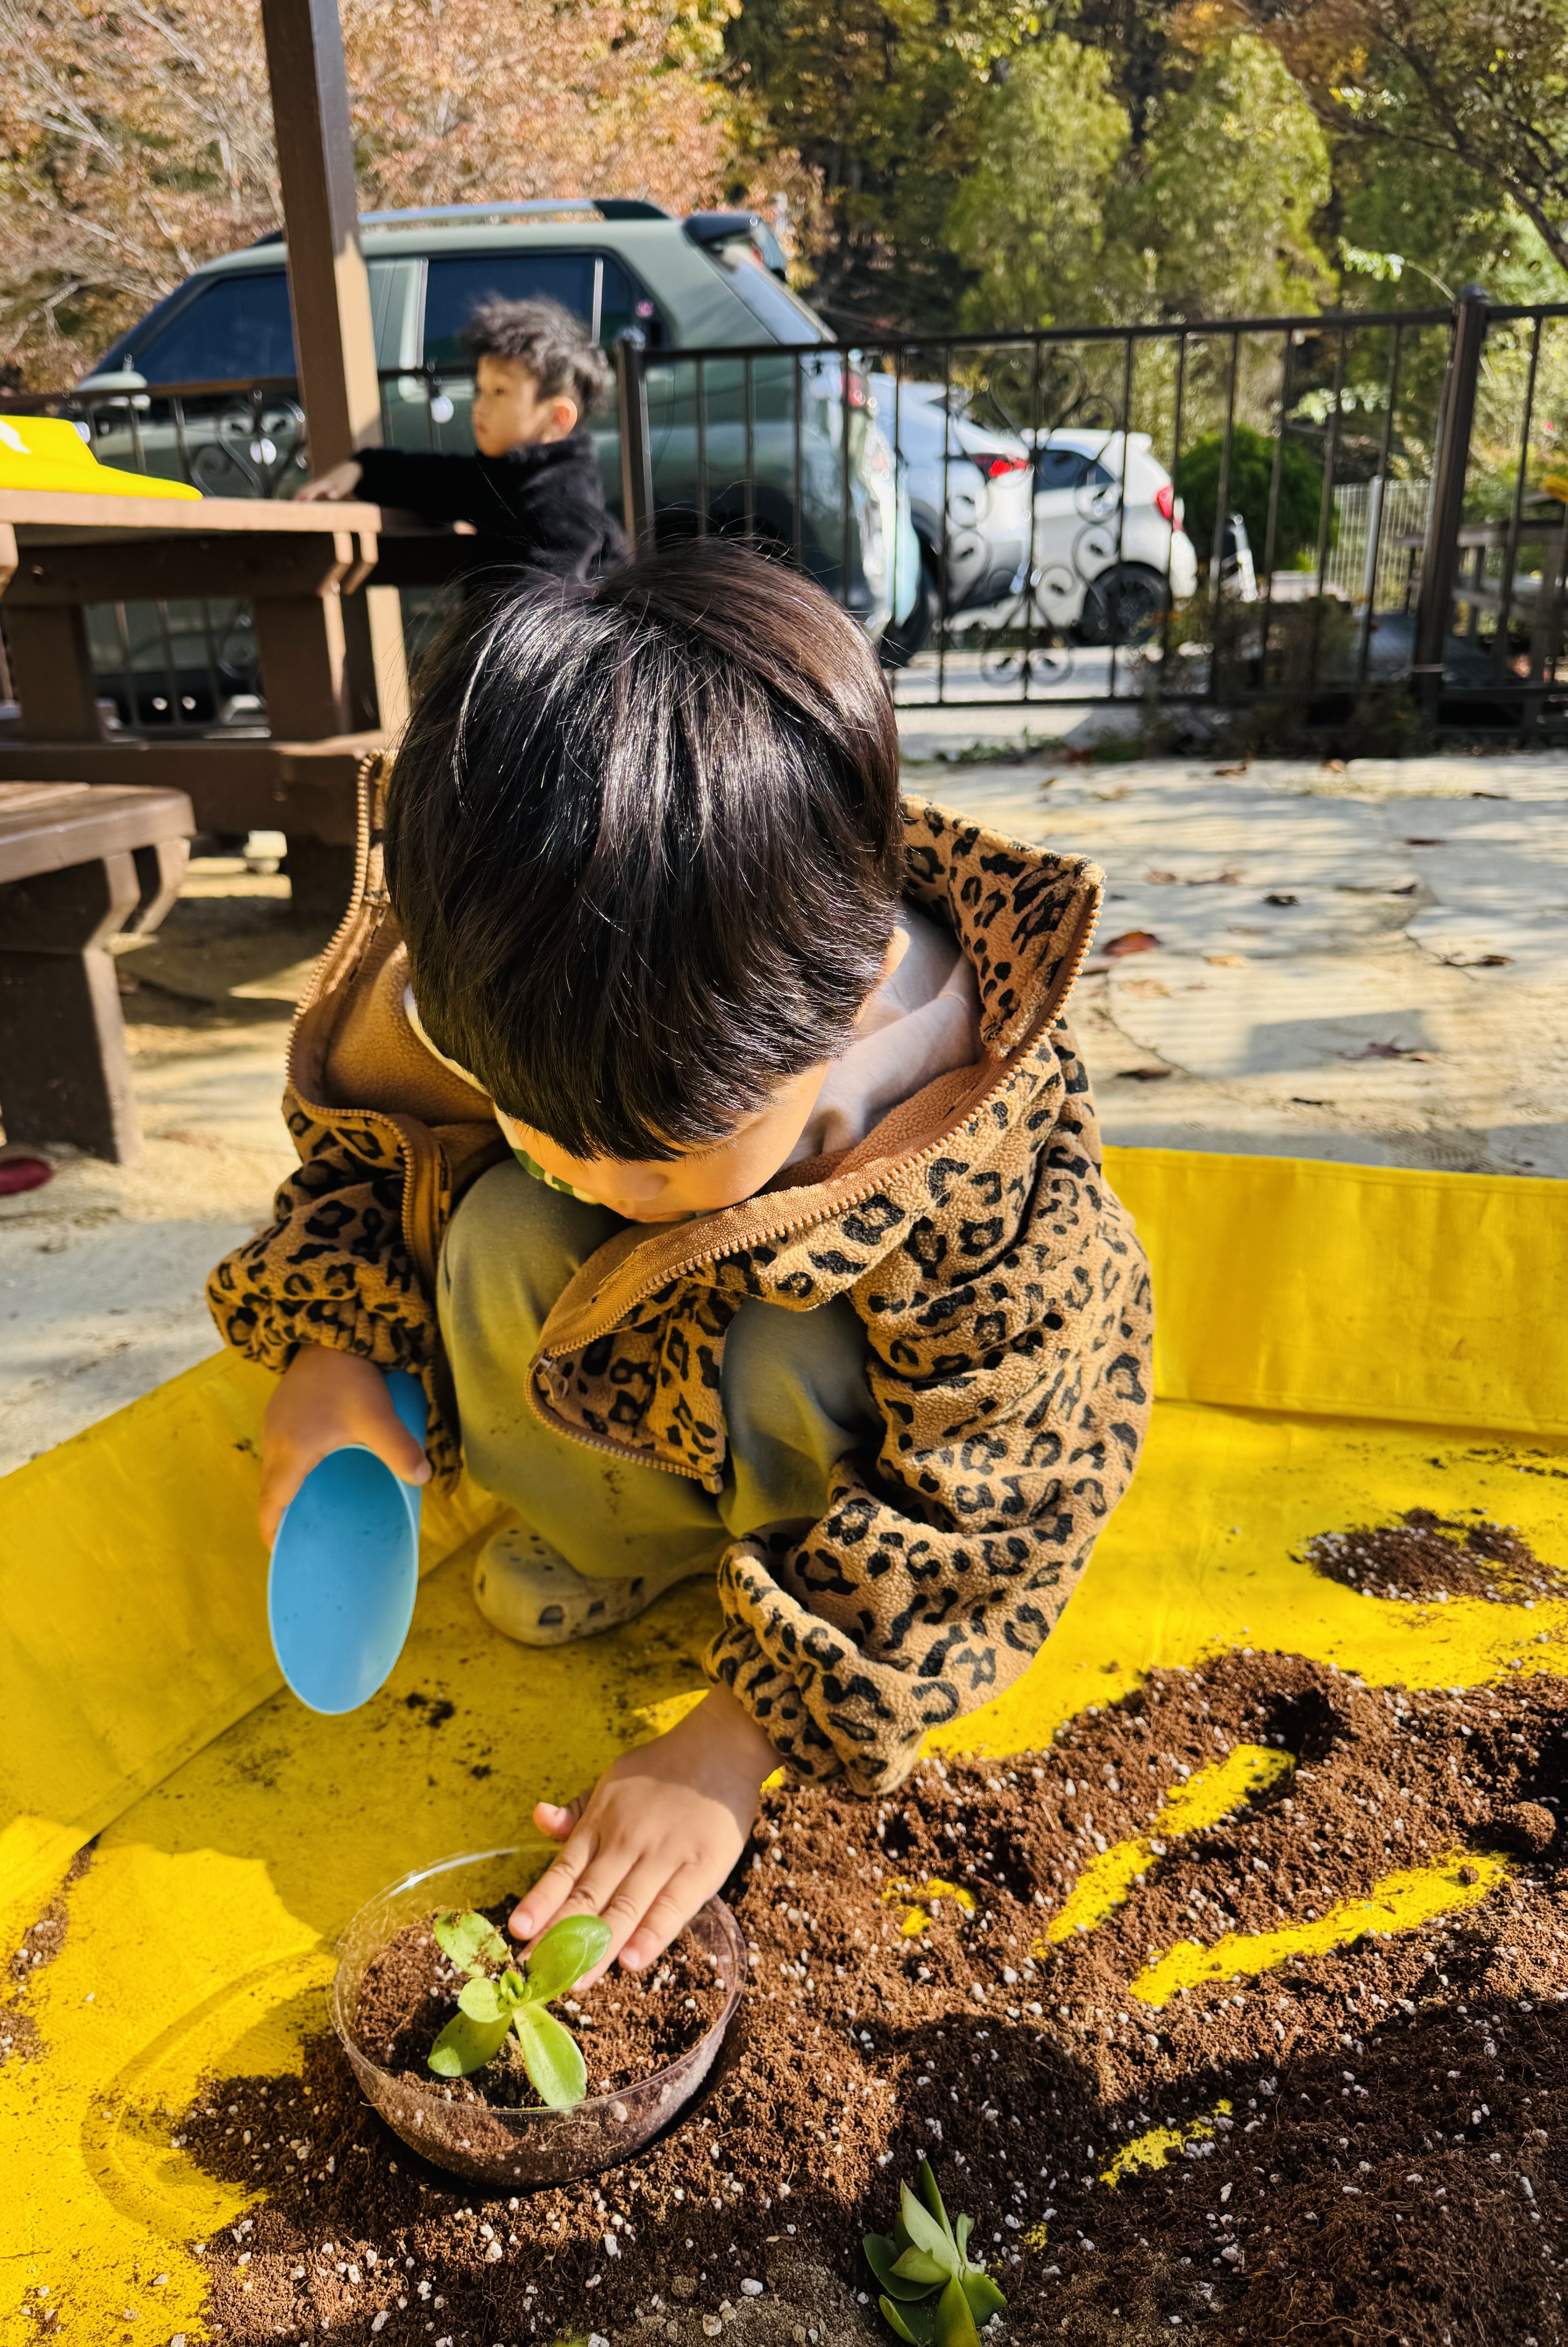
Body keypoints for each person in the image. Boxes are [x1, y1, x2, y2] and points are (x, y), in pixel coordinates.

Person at [208, 538, 1152, 1978]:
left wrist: (740, 1738)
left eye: (655, 1152)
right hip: (643, 1349)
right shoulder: (516, 969)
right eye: (539, 1120)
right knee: (501, 1228)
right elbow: (371, 1164)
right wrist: (336, 1347)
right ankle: (625, 1542)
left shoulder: (964, 1126)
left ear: (840, 1004)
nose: (594, 1173)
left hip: (843, 1442)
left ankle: (773, 1592)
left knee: (787, 1340)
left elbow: (1006, 1480)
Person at [295, 294, 627, 583]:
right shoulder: (507, 476)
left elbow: (540, 602)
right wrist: (364, 468)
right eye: (480, 389)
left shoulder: (564, 500)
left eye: (500, 392)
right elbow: (432, 479)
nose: (480, 405)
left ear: (558, 418)